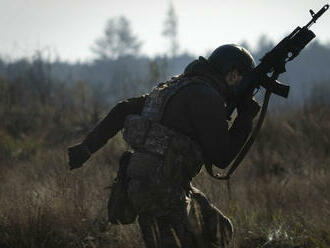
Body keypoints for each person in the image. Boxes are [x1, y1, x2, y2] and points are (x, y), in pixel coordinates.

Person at [68, 44, 260, 248]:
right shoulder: (206, 96)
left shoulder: (176, 88)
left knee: (219, 231)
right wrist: (245, 116)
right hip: (159, 192)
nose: (242, 87)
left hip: (156, 185)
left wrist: (86, 148)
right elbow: (222, 157)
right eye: (243, 80)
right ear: (232, 74)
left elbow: (122, 109)